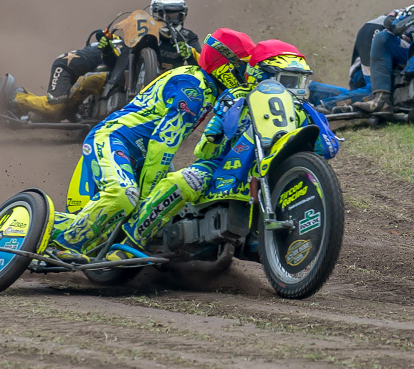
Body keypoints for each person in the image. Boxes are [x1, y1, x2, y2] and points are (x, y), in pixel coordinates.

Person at [104, 39, 340, 262]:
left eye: (300, 82)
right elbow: (205, 151)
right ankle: (132, 243)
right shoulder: (236, 96)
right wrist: (216, 135)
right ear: (264, 76)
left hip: (268, 169)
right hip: (219, 167)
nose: (294, 89)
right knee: (178, 183)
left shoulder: (304, 109)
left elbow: (326, 148)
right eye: (288, 81)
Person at [46, 28, 257, 261]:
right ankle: (60, 246)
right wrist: (149, 197)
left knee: (162, 202)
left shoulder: (209, 89)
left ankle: (52, 225)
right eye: (243, 67)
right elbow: (162, 143)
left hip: (141, 152)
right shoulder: (194, 87)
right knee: (124, 195)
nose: (247, 75)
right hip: (114, 138)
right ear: (224, 64)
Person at [11, 0, 201, 122]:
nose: (172, 20)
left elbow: (204, 67)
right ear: (156, 13)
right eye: (168, 15)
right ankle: (17, 97)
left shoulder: (189, 37)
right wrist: (108, 49)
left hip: (167, 92)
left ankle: (65, 111)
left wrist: (191, 54)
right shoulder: (142, 32)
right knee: (59, 105)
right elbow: (120, 62)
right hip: (118, 80)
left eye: (176, 15)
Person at [309, 15, 387, 114]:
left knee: (359, 92)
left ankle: (310, 90)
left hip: (374, 28)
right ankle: (327, 104)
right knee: (377, 91)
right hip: (381, 29)